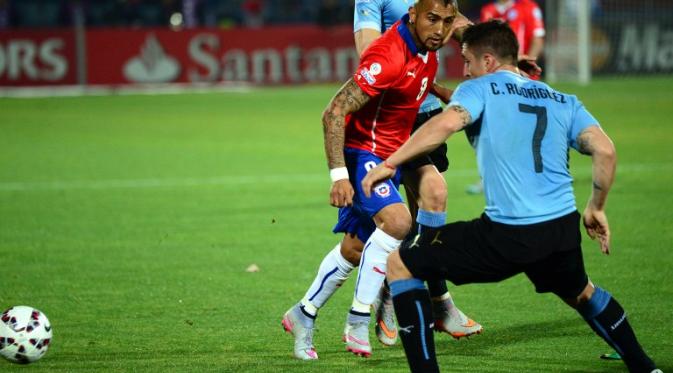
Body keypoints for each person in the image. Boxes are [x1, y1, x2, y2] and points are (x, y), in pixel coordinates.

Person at [362, 20, 660, 373]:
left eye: (468, 61)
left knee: (401, 264)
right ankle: (646, 367)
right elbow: (605, 151)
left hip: (507, 233)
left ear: (488, 61)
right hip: (561, 230)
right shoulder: (560, 98)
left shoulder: (481, 88)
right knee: (582, 292)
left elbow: (443, 125)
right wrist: (596, 207)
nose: (467, 71)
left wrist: (390, 163)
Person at [282, 0, 459, 360]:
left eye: (447, 21)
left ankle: (303, 313)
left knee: (355, 249)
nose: (439, 29)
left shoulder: (426, 50)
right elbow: (334, 111)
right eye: (431, 19)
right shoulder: (388, 55)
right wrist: (339, 176)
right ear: (412, 15)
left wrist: (439, 91)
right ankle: (359, 318)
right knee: (398, 221)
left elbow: (411, 81)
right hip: (363, 154)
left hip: (387, 159)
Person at [350, 0, 482, 348]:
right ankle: (424, 297)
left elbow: (461, 28)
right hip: (393, 118)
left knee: (422, 212)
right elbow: (370, 53)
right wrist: (421, 78)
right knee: (427, 199)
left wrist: (504, 57)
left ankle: (418, 296)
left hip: (425, 114)